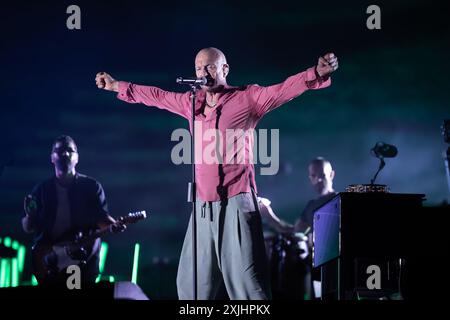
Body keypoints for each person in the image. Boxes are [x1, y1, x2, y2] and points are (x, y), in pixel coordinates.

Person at [95, 47, 338, 299]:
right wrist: (116, 86)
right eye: (199, 68)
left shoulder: (247, 97)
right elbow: (156, 95)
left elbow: (282, 90)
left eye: (210, 67)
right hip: (202, 205)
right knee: (191, 285)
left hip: (237, 200)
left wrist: (315, 74)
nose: (204, 73)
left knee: (246, 284)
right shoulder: (191, 102)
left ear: (225, 69)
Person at [22, 135, 123, 286]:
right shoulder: (42, 190)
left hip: (83, 258)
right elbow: (27, 227)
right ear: (52, 157)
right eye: (60, 150)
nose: (65, 154)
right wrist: (30, 216)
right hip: (49, 260)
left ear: (77, 157)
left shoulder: (91, 187)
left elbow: (101, 218)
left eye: (70, 150)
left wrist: (114, 225)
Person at [294, 157, 337, 234]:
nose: (318, 180)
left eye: (322, 175)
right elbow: (295, 231)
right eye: (314, 176)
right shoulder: (311, 205)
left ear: (331, 175)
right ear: (310, 178)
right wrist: (270, 215)